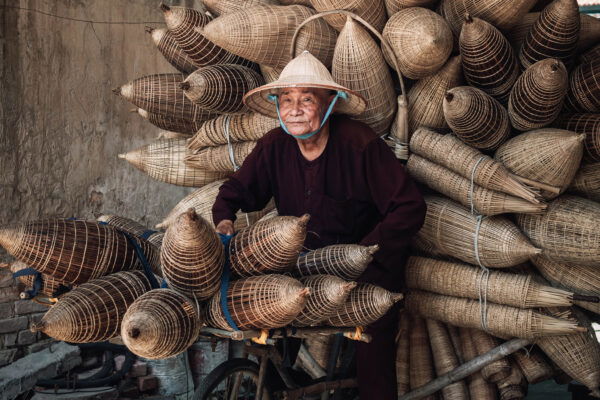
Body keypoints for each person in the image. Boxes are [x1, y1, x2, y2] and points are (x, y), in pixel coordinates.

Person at [212, 50, 426, 400]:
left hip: (368, 269)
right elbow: (235, 191)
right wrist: (224, 220)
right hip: (303, 265)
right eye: (286, 100)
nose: (294, 109)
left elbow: (409, 207)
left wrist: (367, 252)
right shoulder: (274, 146)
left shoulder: (359, 144)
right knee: (274, 314)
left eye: (306, 100)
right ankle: (285, 384)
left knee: (373, 345)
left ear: (329, 104)